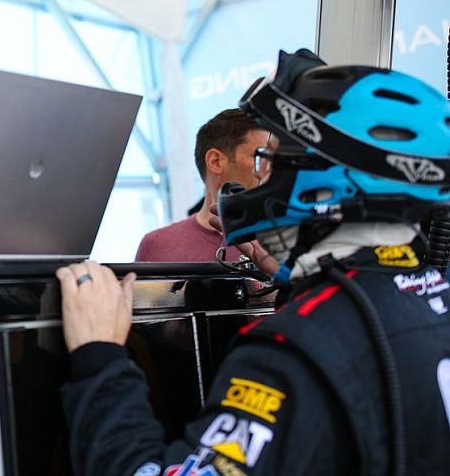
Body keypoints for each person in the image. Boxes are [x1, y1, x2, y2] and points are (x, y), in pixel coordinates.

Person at [57, 49, 450, 475]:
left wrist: (101, 360)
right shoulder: (429, 296)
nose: (262, 178)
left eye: (272, 159)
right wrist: (294, 277)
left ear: (322, 177)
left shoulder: (293, 351)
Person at [136, 109, 272, 263]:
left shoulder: (287, 244)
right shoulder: (157, 246)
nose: (269, 169)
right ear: (215, 161)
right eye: (261, 157)